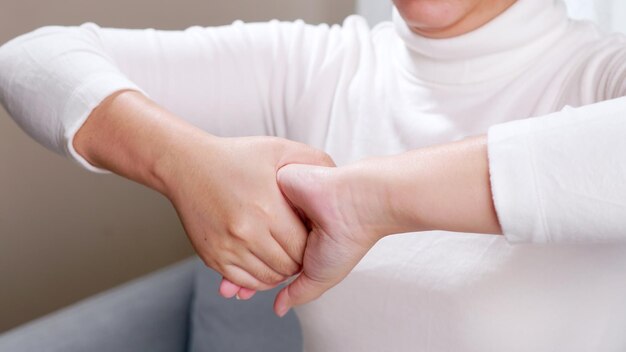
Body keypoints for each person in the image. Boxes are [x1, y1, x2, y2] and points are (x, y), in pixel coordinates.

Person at [1, 0, 626, 350]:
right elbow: (29, 61)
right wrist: (187, 162)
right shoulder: (325, 63)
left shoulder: (600, 75)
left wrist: (367, 201)